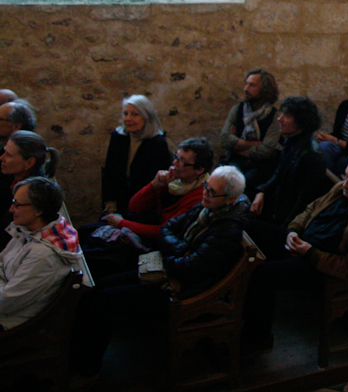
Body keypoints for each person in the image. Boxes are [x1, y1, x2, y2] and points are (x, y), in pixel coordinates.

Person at [74, 166, 250, 377]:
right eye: (206, 186)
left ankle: (86, 370)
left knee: (104, 301)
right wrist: (180, 250)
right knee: (98, 286)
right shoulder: (206, 207)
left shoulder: (227, 230)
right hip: (168, 269)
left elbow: (187, 269)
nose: (205, 193)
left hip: (182, 291)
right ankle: (75, 354)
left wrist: (170, 252)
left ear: (231, 199)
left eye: (212, 191)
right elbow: (167, 228)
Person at [241, 153, 348, 354]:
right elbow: (310, 210)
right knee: (247, 227)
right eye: (346, 176)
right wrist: (293, 231)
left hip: (321, 267)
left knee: (261, 275)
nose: (345, 184)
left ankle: (257, 338)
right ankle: (231, 300)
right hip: (303, 243)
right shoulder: (341, 190)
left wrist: (309, 253)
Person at [81, 138, 213, 281]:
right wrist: (154, 185)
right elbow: (135, 207)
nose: (175, 163)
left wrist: (121, 223)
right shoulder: (174, 181)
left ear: (199, 169)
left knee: (98, 258)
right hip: (152, 228)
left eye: (182, 161)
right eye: (176, 156)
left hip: (163, 244)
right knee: (86, 231)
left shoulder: (198, 196)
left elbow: (163, 231)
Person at [1, 177, 86, 330]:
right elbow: (2, 262)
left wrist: (4, 283)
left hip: (11, 324)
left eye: (17, 204)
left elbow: (5, 302)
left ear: (38, 210)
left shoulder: (43, 255)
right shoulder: (28, 231)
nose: (11, 209)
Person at [249, 96, 328, 229]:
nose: (280, 119)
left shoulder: (311, 156)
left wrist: (284, 230)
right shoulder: (291, 140)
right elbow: (278, 174)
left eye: (287, 116)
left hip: (287, 222)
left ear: (302, 121)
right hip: (277, 208)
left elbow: (302, 203)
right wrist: (261, 192)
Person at [100, 95, 171, 217]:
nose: (128, 119)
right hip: (120, 200)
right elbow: (110, 174)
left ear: (146, 117)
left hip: (145, 206)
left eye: (134, 114)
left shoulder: (157, 143)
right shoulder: (118, 137)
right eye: (125, 114)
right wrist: (110, 207)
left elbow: (157, 185)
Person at [219, 69, 282, 191]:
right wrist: (253, 144)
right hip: (235, 161)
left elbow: (265, 151)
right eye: (246, 84)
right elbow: (225, 140)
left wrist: (236, 146)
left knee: (245, 183)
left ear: (265, 89)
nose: (246, 89)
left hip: (261, 166)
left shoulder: (274, 116)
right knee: (221, 180)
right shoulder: (238, 110)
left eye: (252, 85)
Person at [0, 131, 60, 246]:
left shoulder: (31, 194)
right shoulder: (10, 175)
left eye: (9, 155)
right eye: (4, 152)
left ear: (29, 163)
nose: (1, 158)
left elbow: (8, 232)